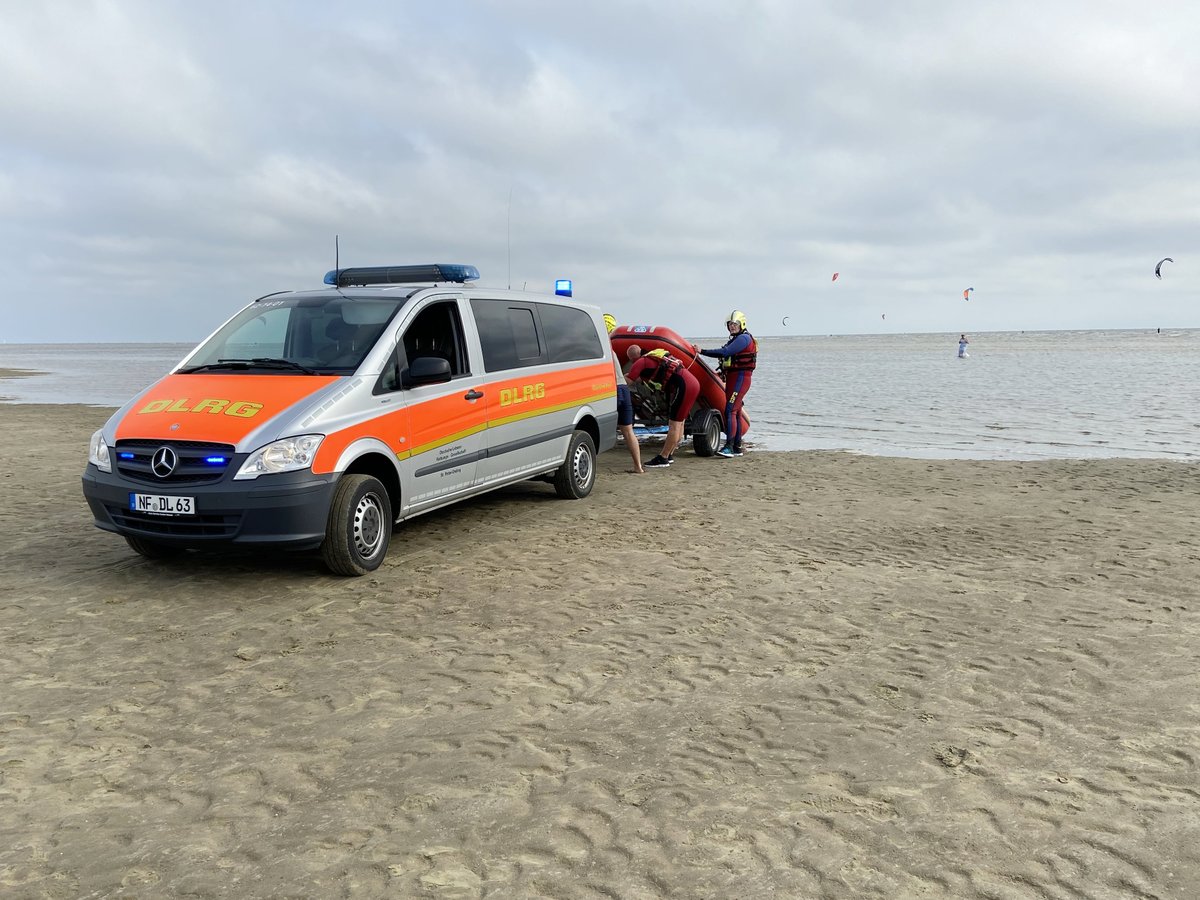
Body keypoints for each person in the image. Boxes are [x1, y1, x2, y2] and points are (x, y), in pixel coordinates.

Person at [625, 348, 700, 468]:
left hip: (684, 386)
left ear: (632, 358)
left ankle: (663, 457)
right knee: (680, 423)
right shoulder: (652, 359)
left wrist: (617, 380)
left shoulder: (640, 362)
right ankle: (669, 454)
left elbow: (628, 381)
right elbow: (640, 379)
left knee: (674, 424)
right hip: (692, 384)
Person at [696, 309, 757, 457]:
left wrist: (701, 351)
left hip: (741, 378)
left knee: (730, 410)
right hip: (733, 378)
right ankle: (736, 446)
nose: (732, 326)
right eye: (730, 324)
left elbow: (724, 352)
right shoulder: (737, 339)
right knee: (734, 411)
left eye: (734, 324)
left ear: (741, 324)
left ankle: (729, 446)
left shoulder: (743, 339)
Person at [604, 315, 644, 474]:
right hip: (624, 389)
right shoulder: (611, 349)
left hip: (613, 389)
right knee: (628, 431)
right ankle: (638, 467)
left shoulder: (601, 347)